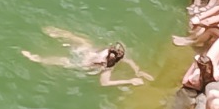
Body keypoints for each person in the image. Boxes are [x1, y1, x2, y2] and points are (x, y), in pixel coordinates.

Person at [23, 28, 152, 86]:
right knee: (78, 47)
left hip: (83, 59)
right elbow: (126, 60)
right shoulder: (109, 61)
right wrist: (135, 73)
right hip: (84, 57)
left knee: (67, 58)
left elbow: (105, 82)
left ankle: (38, 57)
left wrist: (132, 77)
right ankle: (57, 36)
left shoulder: (107, 61)